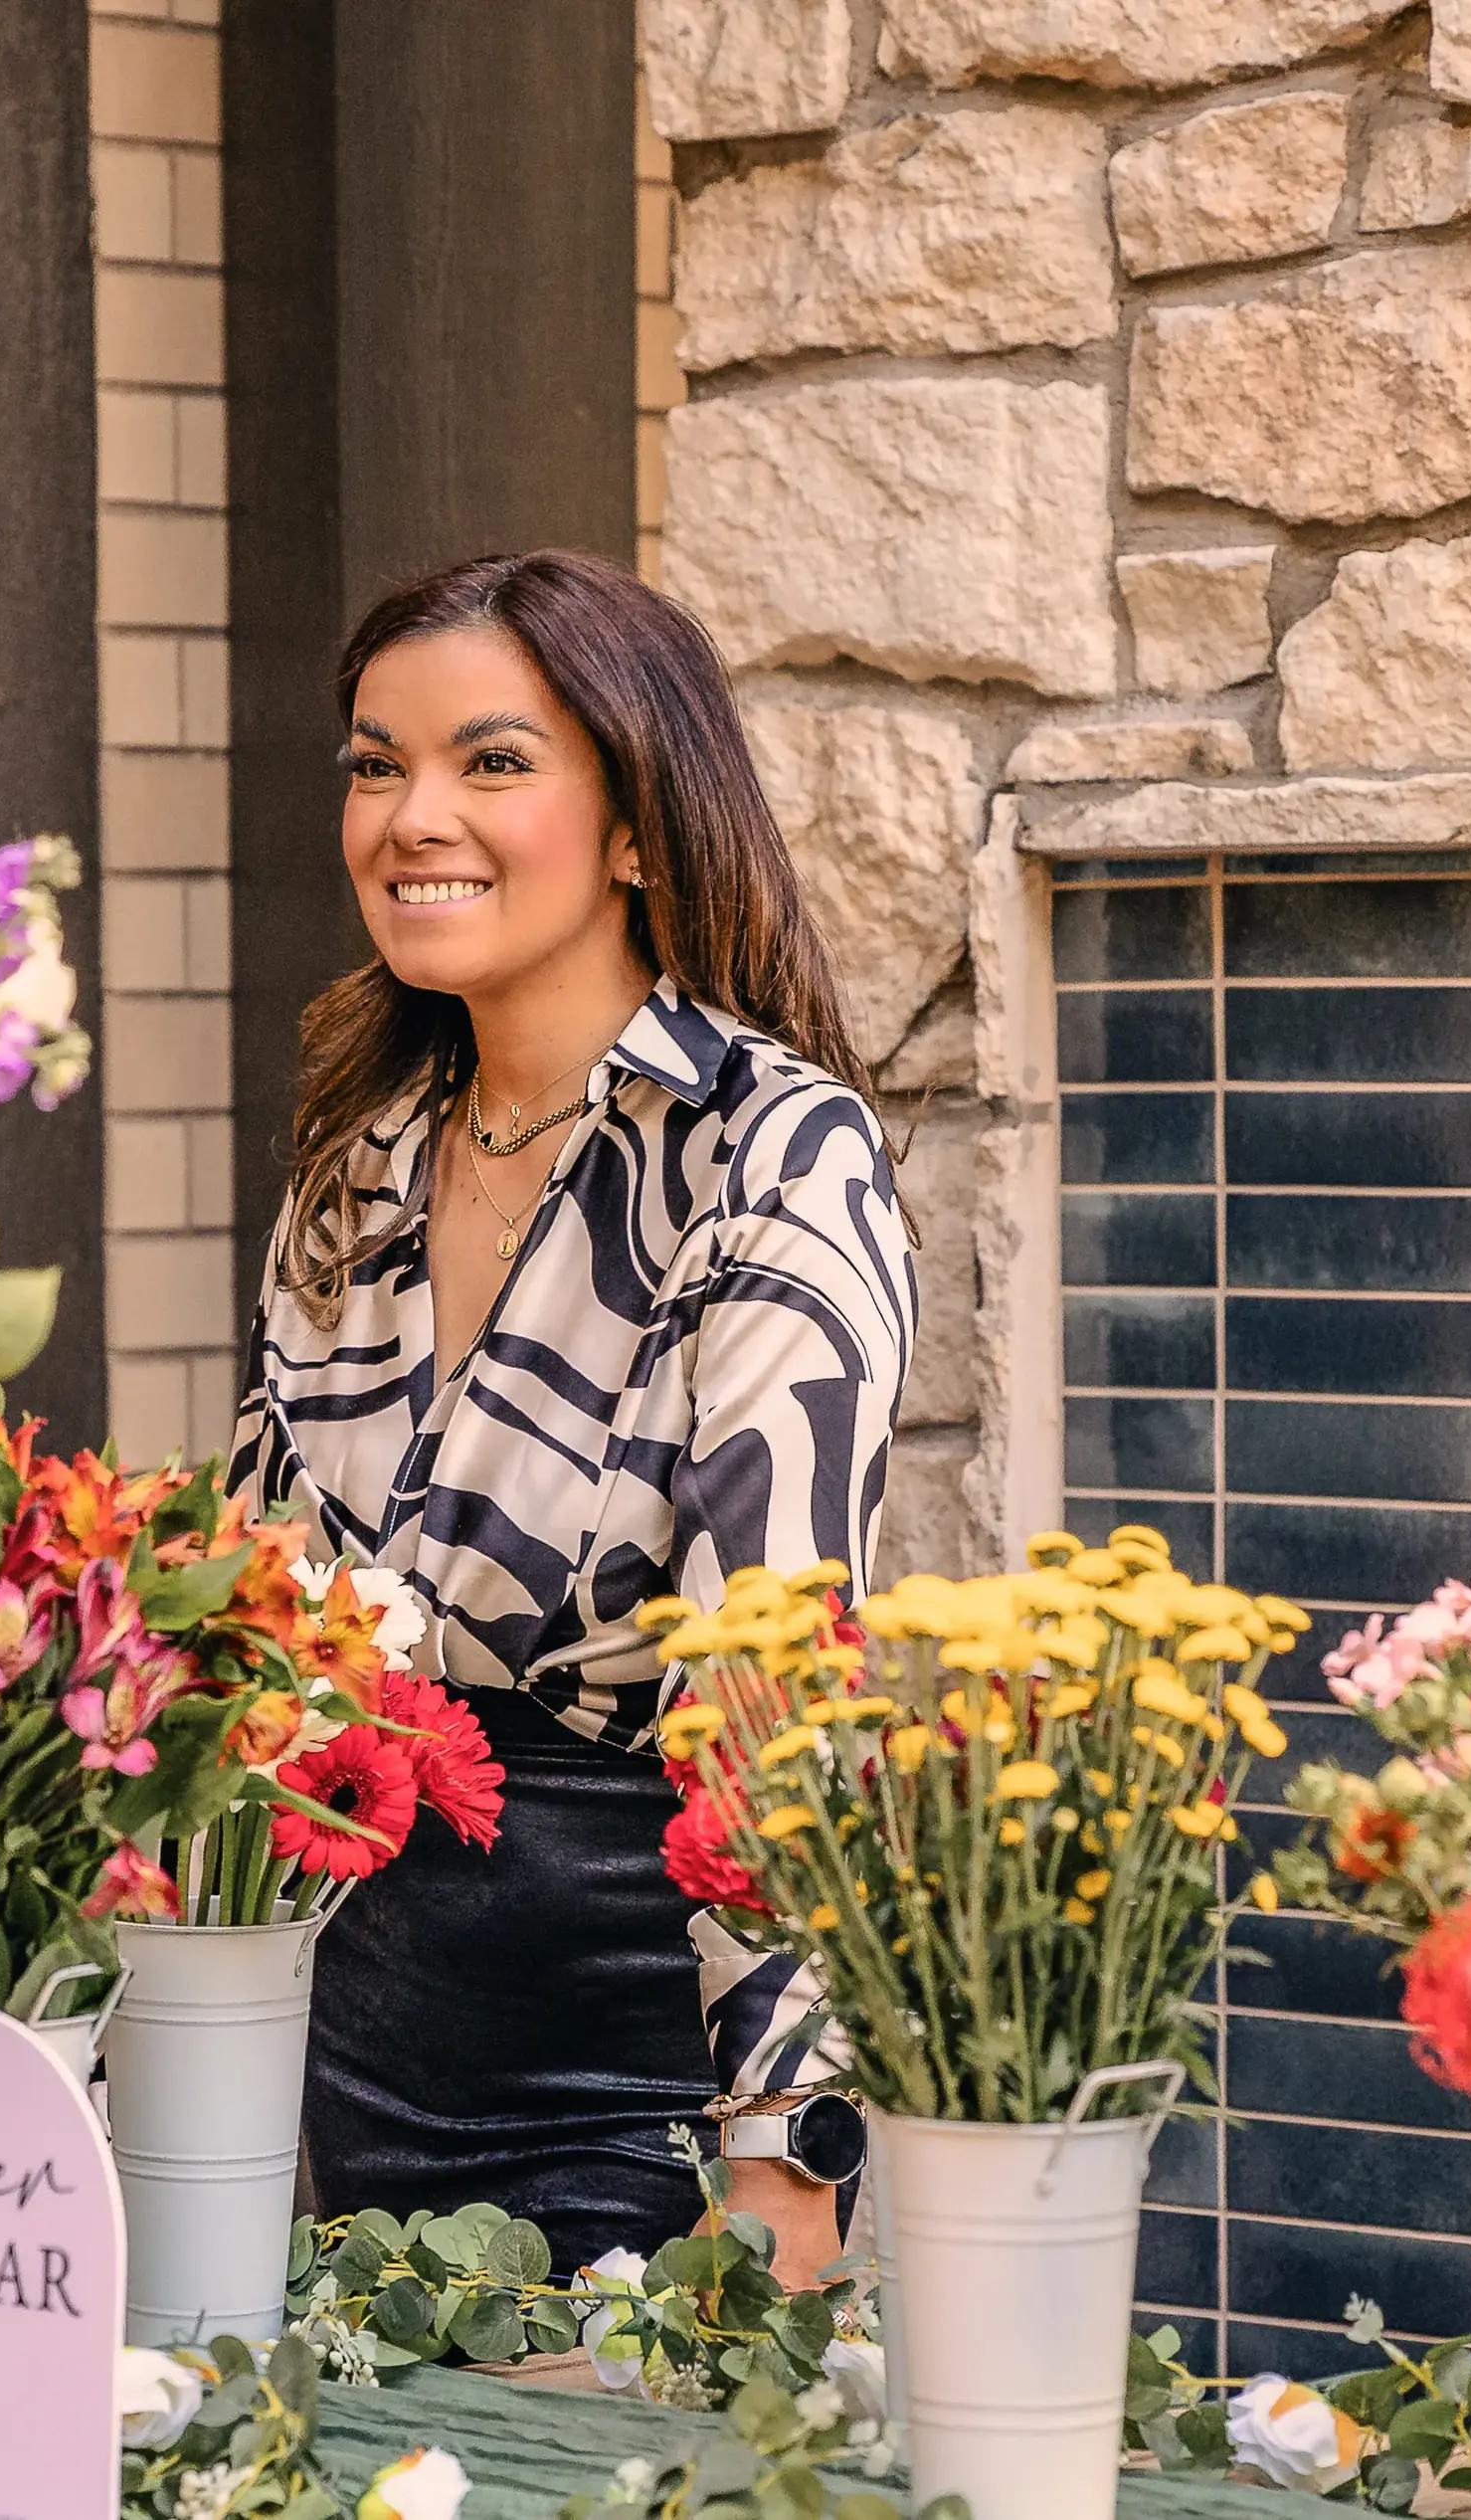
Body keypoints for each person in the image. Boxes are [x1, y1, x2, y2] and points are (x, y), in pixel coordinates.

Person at [231, 550, 912, 2286]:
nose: (411, 816)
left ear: (635, 824)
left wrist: (783, 2160)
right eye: (375, 765)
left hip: (646, 2086)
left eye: (494, 761)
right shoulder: (357, 1163)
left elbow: (775, 1689)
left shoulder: (769, 1153)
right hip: (350, 2047)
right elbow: (253, 1638)